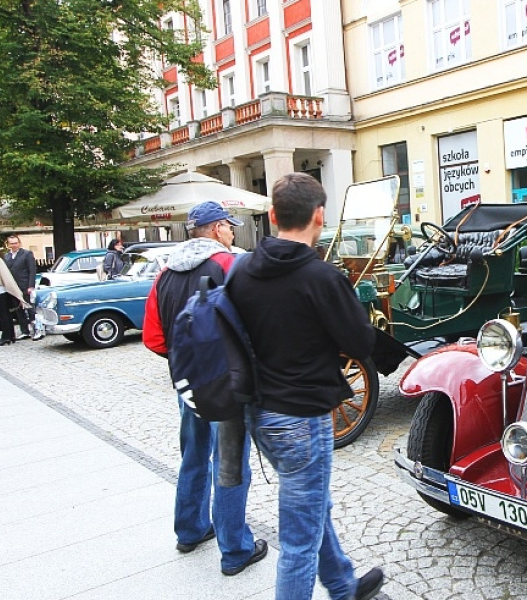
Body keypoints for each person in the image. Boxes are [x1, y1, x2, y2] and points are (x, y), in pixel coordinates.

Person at [227, 173, 384, 600]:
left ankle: (342, 585)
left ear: (274, 216)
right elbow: (360, 343)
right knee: (299, 540)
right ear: (319, 216)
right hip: (303, 418)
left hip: (260, 414)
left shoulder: (242, 271)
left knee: (312, 507)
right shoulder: (321, 277)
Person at [142, 202, 266, 576]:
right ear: (216, 230)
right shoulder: (229, 265)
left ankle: (190, 530)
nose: (232, 232)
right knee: (229, 464)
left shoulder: (164, 274)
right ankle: (235, 549)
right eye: (229, 226)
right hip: (227, 387)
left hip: (187, 385)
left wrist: (185, 360)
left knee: (193, 455)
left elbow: (152, 338)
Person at [3, 235, 38, 339]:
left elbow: (32, 270)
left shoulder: (27, 254)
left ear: (19, 243)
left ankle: (36, 329)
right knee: (18, 309)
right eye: (12, 243)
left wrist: (31, 286)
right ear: (8, 244)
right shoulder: (6, 256)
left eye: (16, 243)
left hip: (25, 284)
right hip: (13, 286)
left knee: (30, 307)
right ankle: (24, 331)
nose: (14, 245)